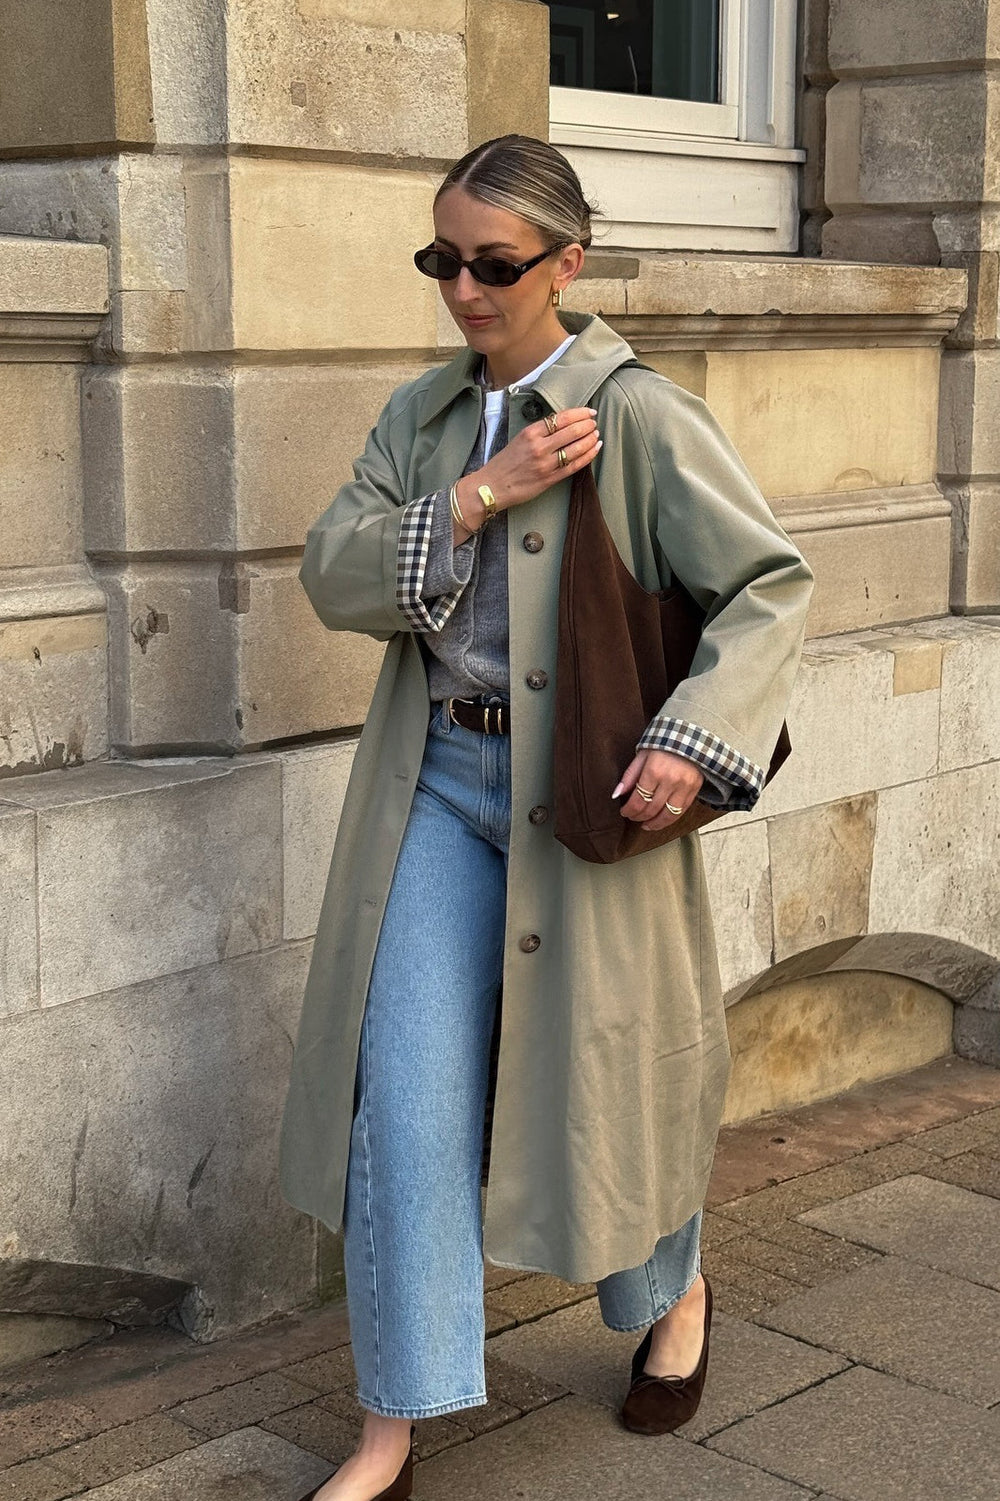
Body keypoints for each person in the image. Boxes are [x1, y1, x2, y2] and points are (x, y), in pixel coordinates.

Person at [278, 135, 815, 1501]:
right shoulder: (423, 418)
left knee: (617, 1077)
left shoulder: (640, 416)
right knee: (401, 1100)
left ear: (567, 264)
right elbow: (333, 574)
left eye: (495, 265)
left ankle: (673, 1296)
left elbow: (769, 585)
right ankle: (391, 1428)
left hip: (584, 798)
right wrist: (480, 495)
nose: (464, 289)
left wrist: (692, 740)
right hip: (435, 788)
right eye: (441, 260)